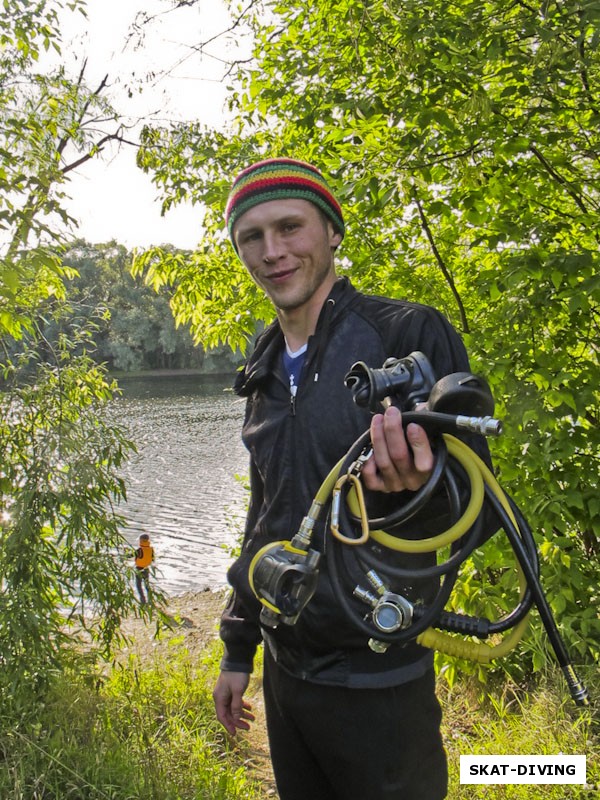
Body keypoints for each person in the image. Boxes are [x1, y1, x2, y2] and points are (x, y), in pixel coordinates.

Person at [213, 157, 491, 800]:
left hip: (380, 681)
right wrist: (238, 645)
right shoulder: (261, 366)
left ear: (332, 232)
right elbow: (267, 513)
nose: (272, 251)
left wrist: (410, 495)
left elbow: (473, 511)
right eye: (251, 237)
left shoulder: (406, 335)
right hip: (287, 678)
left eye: (290, 227)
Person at [133, 533, 154, 604]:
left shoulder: (139, 550)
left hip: (139, 569)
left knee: (138, 585)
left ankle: (143, 600)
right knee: (147, 585)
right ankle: (151, 600)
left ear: (141, 540)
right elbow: (152, 559)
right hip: (146, 569)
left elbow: (129, 555)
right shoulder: (151, 549)